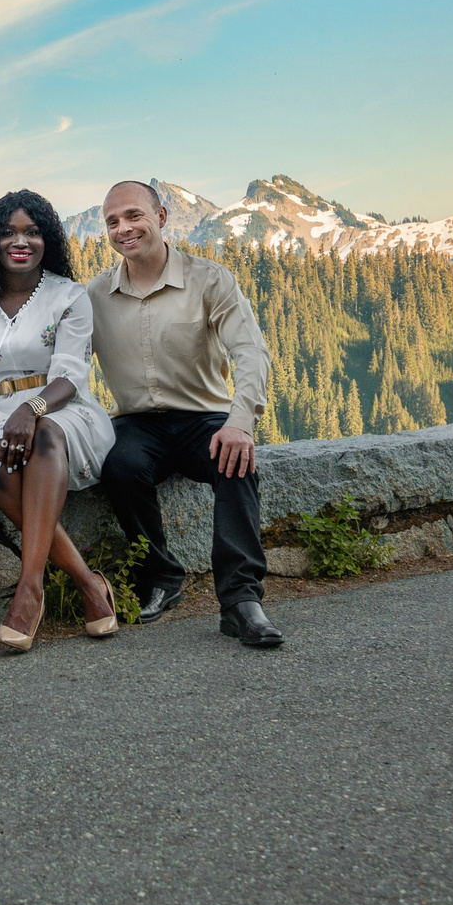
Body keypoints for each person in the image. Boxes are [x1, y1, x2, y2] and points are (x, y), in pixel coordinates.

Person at [86, 180, 281, 649]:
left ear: (162, 217)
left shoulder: (210, 279)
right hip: (136, 423)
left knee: (237, 464)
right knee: (119, 465)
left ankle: (240, 602)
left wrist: (240, 422)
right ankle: (162, 577)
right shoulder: (93, 296)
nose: (123, 228)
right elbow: (61, 365)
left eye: (134, 216)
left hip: (205, 418)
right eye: (112, 222)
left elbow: (251, 353)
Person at [0, 190, 118, 654]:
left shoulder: (68, 295)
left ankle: (30, 590)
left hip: (61, 410)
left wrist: (31, 411)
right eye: (9, 231)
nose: (21, 241)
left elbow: (70, 373)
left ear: (47, 239)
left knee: (46, 436)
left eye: (32, 232)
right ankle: (88, 583)